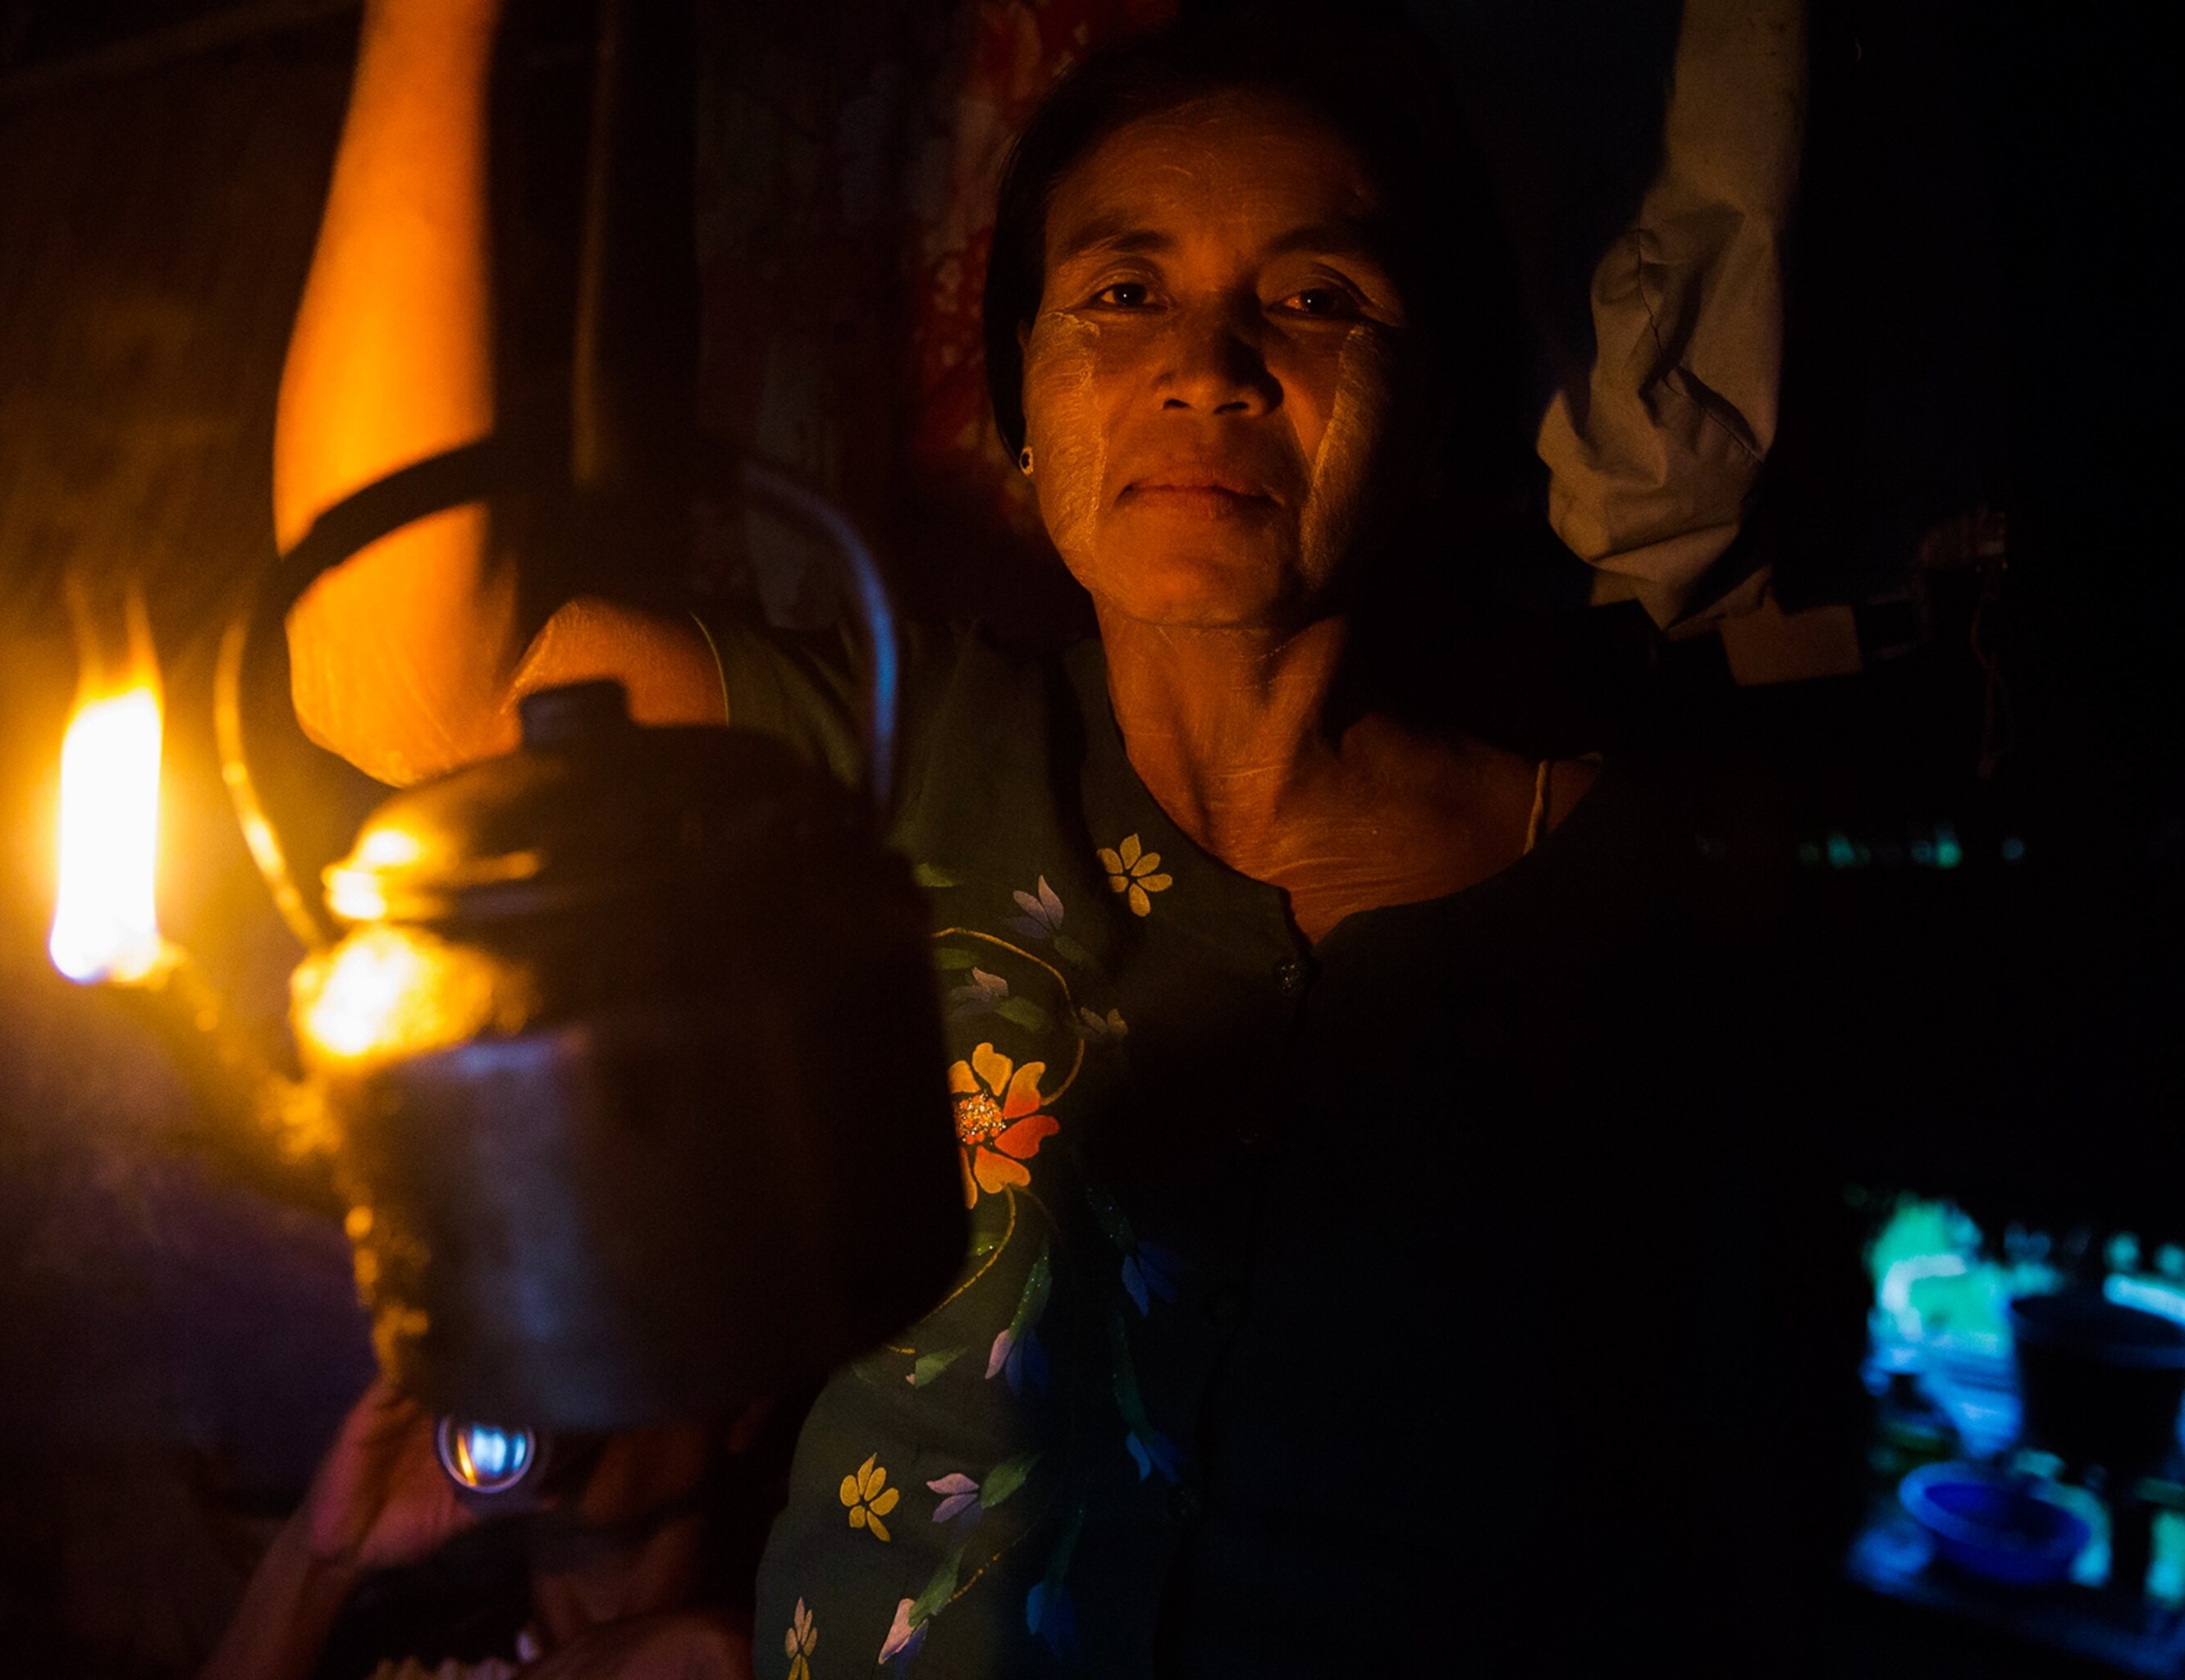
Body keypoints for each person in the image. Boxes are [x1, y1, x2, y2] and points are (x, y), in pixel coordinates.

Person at [213, 2, 1816, 1675]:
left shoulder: (1648, 908)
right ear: (1026, 412)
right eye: (1124, 294)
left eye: (1316, 296)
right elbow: (396, 673)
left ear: (1435, 421)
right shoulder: (903, 765)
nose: (1207, 360)